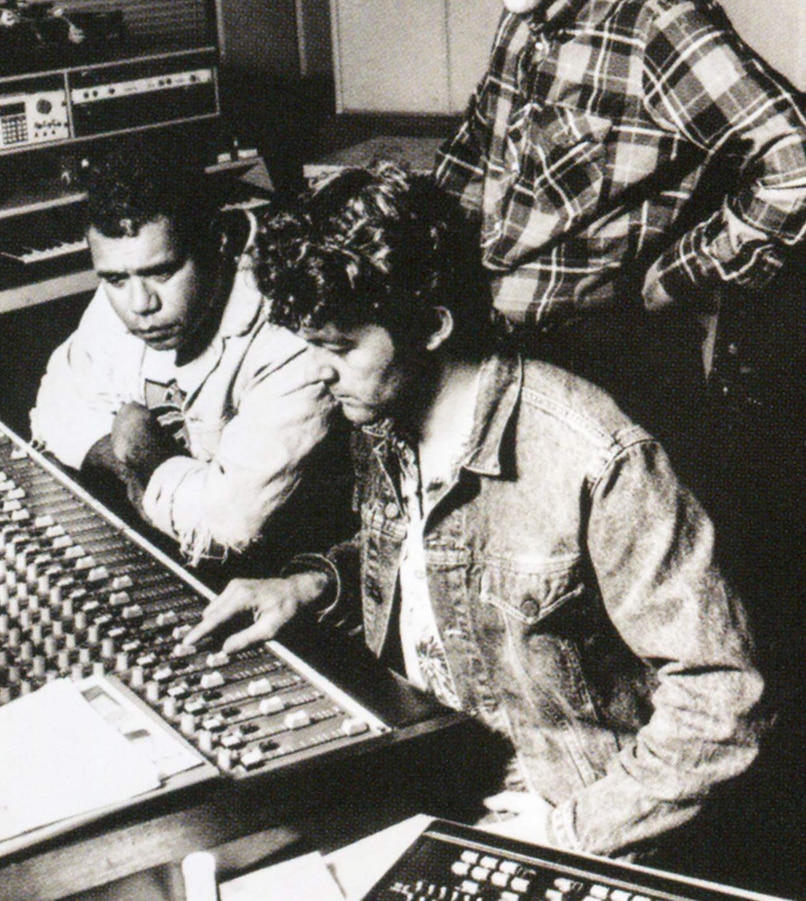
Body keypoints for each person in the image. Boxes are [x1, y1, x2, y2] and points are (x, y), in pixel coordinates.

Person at [185, 161, 765, 860]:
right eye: (309, 344)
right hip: (439, 781)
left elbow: (724, 697)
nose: (317, 370)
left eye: (338, 346)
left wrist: (565, 833)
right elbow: (432, 561)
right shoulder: (383, 417)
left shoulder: (595, 456)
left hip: (572, 819)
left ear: (431, 325)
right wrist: (308, 586)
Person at [432, 0, 806, 473]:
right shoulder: (527, 4)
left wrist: (675, 276)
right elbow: (472, 156)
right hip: (494, 354)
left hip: (600, 381)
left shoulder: (658, 25)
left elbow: (798, 163)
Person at [30, 144, 344, 576]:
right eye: (116, 279)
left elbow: (230, 528)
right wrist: (123, 458)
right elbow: (55, 407)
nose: (140, 304)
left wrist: (141, 448)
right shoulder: (130, 288)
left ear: (218, 240)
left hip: (273, 579)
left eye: (163, 273)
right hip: (167, 548)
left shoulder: (288, 334)